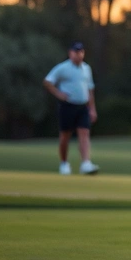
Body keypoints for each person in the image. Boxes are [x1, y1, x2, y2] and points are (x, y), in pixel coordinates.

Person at [43, 41, 100, 175]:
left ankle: (85, 163)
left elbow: (90, 89)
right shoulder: (62, 68)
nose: (79, 55)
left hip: (83, 106)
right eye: (76, 52)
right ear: (70, 53)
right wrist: (58, 94)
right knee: (65, 135)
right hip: (67, 106)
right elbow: (47, 81)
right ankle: (64, 163)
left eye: (81, 52)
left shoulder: (86, 68)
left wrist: (92, 108)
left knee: (84, 133)